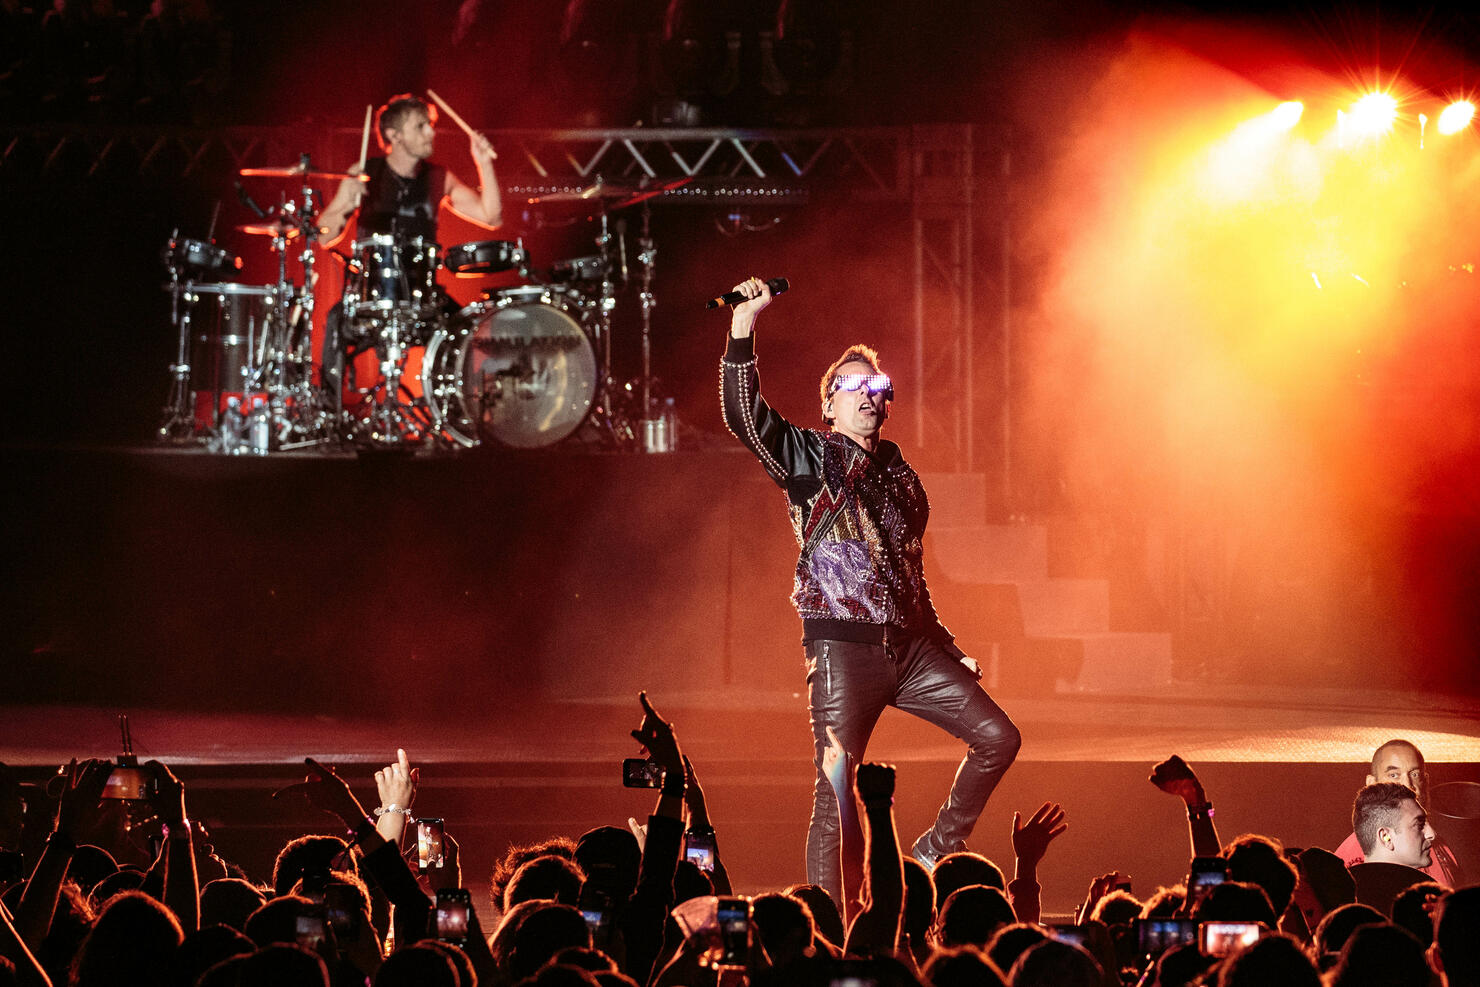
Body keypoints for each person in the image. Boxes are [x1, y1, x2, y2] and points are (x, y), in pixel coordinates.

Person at [718, 276, 1022, 909]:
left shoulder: (902, 477)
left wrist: (947, 647)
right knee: (836, 791)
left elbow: (910, 574)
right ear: (829, 406)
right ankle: (827, 923)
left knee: (998, 737)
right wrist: (744, 324)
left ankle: (930, 855)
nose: (867, 394)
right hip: (842, 651)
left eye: (876, 386)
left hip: (911, 650)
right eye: (851, 386)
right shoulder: (809, 456)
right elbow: (746, 418)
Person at [315, 93, 504, 399]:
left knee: (470, 329)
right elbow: (323, 237)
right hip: (371, 297)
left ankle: (455, 410)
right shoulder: (365, 171)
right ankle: (329, 411)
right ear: (395, 135)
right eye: (420, 126)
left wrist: (484, 163)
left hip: (424, 297)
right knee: (337, 320)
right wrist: (342, 205)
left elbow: (491, 217)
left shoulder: (438, 178)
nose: (431, 132)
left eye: (429, 125)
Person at [1333, 739, 1462, 886]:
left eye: (1415, 774)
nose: (1407, 784)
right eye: (1394, 775)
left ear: (1425, 781)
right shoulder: (1356, 857)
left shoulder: (1437, 843)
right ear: (1371, 784)